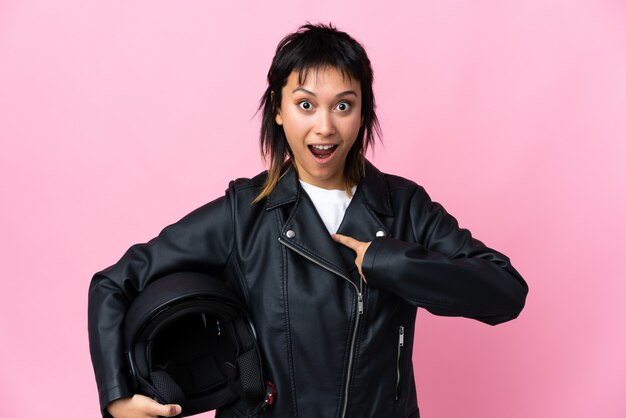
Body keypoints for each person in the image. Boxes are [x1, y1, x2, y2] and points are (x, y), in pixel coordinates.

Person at [88, 23, 528, 418]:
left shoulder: (405, 206)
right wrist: (117, 396)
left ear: (363, 112)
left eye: (342, 106)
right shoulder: (244, 213)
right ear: (278, 111)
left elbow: (506, 292)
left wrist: (392, 263)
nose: (324, 127)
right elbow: (112, 282)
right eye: (305, 105)